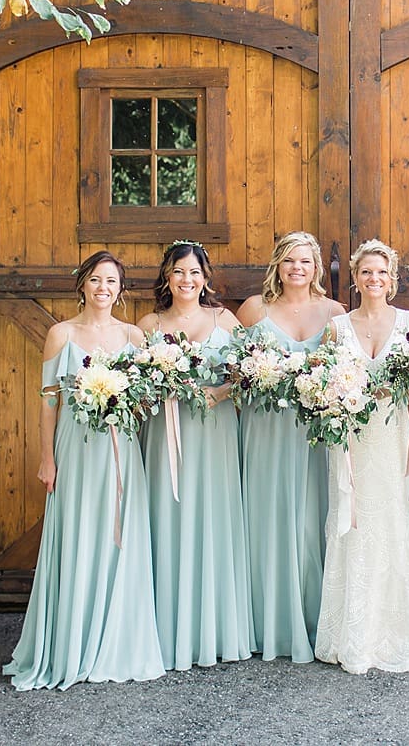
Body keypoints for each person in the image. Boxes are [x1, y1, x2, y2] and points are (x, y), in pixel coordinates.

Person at [4, 250, 165, 689]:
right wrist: (46, 458)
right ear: (82, 285)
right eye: (96, 280)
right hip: (75, 450)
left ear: (121, 289)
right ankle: (69, 645)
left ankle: (116, 643)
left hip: (121, 452)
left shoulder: (134, 337)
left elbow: (148, 397)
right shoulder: (61, 335)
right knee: (78, 535)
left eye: (111, 282)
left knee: (119, 539)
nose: (103, 289)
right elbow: (48, 401)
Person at [313, 240, 409, 674]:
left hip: (393, 431)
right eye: (366, 272)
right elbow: (323, 381)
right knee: (350, 517)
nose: (373, 279)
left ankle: (393, 631)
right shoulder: (337, 326)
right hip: (351, 438)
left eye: (381, 272)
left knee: (391, 518)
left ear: (392, 277)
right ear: (356, 278)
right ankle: (350, 632)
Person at [138, 240, 252, 669]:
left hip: (215, 429)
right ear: (167, 277)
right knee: (170, 516)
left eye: (195, 272)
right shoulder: (150, 323)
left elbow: (247, 372)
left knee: (213, 517)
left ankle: (215, 630)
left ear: (206, 278)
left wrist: (217, 394)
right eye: (179, 272)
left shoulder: (226, 319)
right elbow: (139, 378)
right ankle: (168, 630)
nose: (187, 280)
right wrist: (173, 387)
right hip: (167, 430)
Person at [235, 231, 342, 662]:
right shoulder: (253, 310)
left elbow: (341, 371)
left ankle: (317, 618)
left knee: (313, 517)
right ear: (277, 266)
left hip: (312, 431)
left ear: (317, 267)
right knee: (269, 514)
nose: (298, 268)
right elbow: (235, 369)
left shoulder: (335, 313)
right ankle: (267, 621)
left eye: (305, 261)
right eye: (289, 261)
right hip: (266, 428)